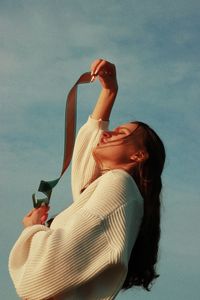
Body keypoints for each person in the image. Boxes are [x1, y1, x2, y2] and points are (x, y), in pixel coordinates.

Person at [8, 59, 165, 300]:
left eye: (121, 133)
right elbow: (86, 161)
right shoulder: (119, 190)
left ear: (138, 155)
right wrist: (109, 91)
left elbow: (39, 278)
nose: (109, 133)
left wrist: (34, 230)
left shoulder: (120, 186)